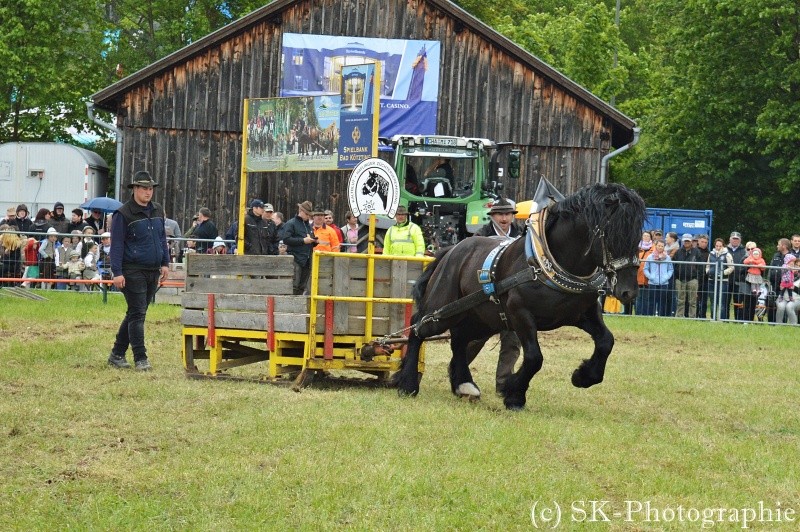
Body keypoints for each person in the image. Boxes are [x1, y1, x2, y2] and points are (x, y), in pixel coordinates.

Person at [107, 170, 170, 371]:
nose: (148, 192)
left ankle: (117, 354)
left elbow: (162, 238)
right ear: (134, 189)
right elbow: (116, 245)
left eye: (150, 188)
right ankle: (140, 358)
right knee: (138, 313)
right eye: (144, 188)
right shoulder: (123, 214)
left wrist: (165, 263)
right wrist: (117, 272)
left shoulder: (158, 210)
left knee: (136, 312)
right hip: (132, 269)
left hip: (152, 268)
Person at [464, 198, 522, 395]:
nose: (504, 218)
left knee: (512, 342)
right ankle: (459, 369)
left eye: (508, 214)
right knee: (476, 339)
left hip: (512, 298)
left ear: (513, 216)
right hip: (487, 296)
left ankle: (504, 385)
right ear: (492, 216)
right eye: (500, 214)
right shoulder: (482, 236)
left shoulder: (522, 235)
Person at [278, 200, 317, 295]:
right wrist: (303, 241)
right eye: (307, 214)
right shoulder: (291, 223)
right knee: (294, 285)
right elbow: (286, 239)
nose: (308, 216)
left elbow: (309, 239)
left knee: (302, 286)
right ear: (301, 211)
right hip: (295, 258)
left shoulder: (308, 225)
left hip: (306, 259)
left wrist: (314, 241)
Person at [673, 233, 702, 318]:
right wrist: (676, 277)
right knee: (680, 300)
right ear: (682, 241)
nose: (686, 242)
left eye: (688, 241)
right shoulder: (678, 252)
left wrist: (697, 278)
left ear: (691, 241)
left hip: (692, 279)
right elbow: (674, 265)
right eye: (685, 241)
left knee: (692, 301)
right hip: (679, 279)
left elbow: (700, 267)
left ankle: (692, 317)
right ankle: (679, 316)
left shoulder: (696, 252)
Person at [706, 237, 735, 319]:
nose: (718, 247)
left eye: (720, 246)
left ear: (723, 246)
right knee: (713, 301)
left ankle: (722, 319)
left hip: (723, 281)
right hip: (711, 280)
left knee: (722, 302)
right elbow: (707, 265)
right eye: (717, 246)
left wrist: (723, 273)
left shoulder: (727, 254)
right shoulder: (711, 254)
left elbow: (731, 267)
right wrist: (708, 271)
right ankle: (713, 318)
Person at [644, 240, 673, 316]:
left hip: (664, 283)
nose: (660, 247)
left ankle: (661, 316)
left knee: (662, 302)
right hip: (652, 283)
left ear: (664, 247)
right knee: (651, 301)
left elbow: (670, 269)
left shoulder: (667, 258)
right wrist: (651, 277)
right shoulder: (650, 257)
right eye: (659, 245)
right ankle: (650, 316)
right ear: (656, 246)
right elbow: (646, 269)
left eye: (662, 246)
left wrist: (666, 277)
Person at [768, 238, 790, 323]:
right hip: (774, 285)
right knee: (772, 305)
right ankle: (771, 323)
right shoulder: (775, 255)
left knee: (782, 306)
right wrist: (770, 280)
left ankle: (782, 323)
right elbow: (771, 268)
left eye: (779, 244)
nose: (777, 246)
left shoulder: (791, 257)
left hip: (784, 287)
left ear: (784, 246)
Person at [726, 231, 747, 320]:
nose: (735, 241)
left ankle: (738, 320)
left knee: (738, 302)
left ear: (740, 240)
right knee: (725, 301)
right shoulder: (725, 250)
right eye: (733, 239)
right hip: (726, 280)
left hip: (739, 280)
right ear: (730, 239)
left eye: (737, 239)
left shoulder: (744, 251)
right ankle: (725, 319)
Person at [776, 254, 799, 325]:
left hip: (797, 299)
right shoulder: (785, 273)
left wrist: (794, 288)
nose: (798, 268)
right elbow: (778, 286)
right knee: (780, 306)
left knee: (789, 307)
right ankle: (778, 325)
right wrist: (780, 287)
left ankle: (793, 325)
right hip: (783, 297)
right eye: (796, 265)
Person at [635, 231, 654, 316]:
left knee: (647, 298)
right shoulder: (637, 248)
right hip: (638, 277)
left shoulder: (653, 249)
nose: (646, 237)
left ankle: (646, 314)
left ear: (650, 238)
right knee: (638, 298)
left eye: (647, 236)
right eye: (644, 236)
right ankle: (638, 314)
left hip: (648, 278)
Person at [695, 234, 711, 318]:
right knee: (695, 299)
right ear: (698, 241)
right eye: (702, 242)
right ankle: (695, 314)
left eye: (706, 242)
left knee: (704, 299)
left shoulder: (709, 253)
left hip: (706, 280)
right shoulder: (694, 251)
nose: (704, 244)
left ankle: (703, 316)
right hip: (696, 279)